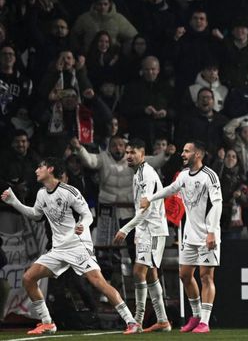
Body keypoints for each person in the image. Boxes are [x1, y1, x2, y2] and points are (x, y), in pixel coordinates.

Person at [0, 158, 140, 335]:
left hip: (77, 245)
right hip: (58, 249)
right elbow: (35, 215)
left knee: (98, 282)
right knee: (28, 278)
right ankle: (48, 323)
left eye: (40, 167)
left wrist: (82, 224)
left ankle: (131, 321)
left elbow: (87, 214)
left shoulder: (69, 191)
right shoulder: (42, 193)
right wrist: (14, 202)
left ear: (50, 169)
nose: (36, 170)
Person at [140, 140, 222, 333]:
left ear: (198, 154)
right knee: (185, 275)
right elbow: (171, 189)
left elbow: (217, 204)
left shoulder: (209, 176)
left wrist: (211, 231)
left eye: (187, 151)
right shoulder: (184, 175)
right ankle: (196, 316)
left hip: (207, 235)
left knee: (206, 277)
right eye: (183, 151)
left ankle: (205, 322)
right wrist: (151, 198)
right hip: (189, 235)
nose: (183, 154)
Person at [112, 139, 171, 332]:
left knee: (138, 272)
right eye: (127, 152)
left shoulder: (147, 174)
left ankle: (137, 321)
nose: (128, 156)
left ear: (142, 154)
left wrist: (125, 229)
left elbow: (145, 210)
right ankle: (162, 320)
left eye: (133, 152)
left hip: (153, 229)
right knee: (151, 273)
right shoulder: (137, 173)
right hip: (145, 230)